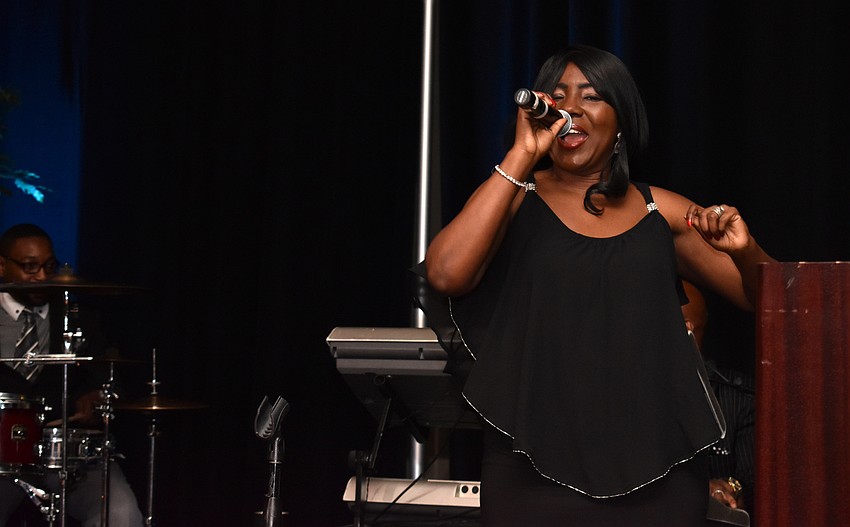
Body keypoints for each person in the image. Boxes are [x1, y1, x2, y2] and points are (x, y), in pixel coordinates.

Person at [420, 44, 775, 526]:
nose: (570, 108)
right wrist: (522, 155)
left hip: (659, 473)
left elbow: (776, 301)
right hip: (531, 468)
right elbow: (445, 273)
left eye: (591, 96)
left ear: (621, 118)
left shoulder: (659, 211)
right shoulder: (514, 197)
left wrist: (745, 249)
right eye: (559, 95)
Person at [0, 223, 144, 527]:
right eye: (29, 267)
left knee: (120, 515)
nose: (41, 276)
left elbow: (108, 379)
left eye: (48, 266)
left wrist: (100, 395)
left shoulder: (79, 317)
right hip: (2, 455)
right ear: (2, 266)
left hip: (69, 453)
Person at [681, 280, 755, 520]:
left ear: (687, 329)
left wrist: (729, 487)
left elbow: (755, 476)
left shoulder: (737, 395)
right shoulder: (626, 394)